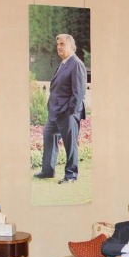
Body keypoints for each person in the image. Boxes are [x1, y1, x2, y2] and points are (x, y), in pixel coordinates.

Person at [34, 33, 87, 184]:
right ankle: (47, 171)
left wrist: (69, 112)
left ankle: (71, 176)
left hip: (68, 113)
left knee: (70, 145)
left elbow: (78, 93)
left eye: (62, 44)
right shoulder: (64, 63)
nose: (59, 47)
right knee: (48, 136)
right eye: (57, 44)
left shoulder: (76, 64)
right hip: (55, 112)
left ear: (71, 45)